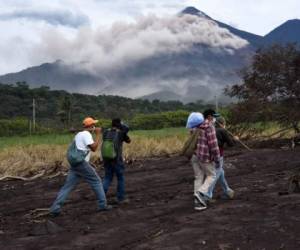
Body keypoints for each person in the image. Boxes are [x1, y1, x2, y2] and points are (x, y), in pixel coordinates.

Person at [49, 117, 112, 216]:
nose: (95, 126)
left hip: (75, 164)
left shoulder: (79, 134)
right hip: (81, 163)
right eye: (94, 125)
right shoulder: (86, 135)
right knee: (96, 181)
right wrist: (99, 134)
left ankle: (55, 208)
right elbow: (94, 148)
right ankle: (102, 205)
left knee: (68, 186)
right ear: (91, 126)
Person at [193, 109, 221, 211]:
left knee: (199, 177)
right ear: (209, 117)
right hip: (206, 157)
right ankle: (200, 193)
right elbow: (213, 145)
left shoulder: (197, 125)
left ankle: (198, 203)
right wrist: (217, 159)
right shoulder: (209, 127)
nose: (215, 119)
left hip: (197, 155)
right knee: (212, 175)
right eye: (214, 117)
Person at [102, 118, 131, 205]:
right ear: (119, 124)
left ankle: (101, 197)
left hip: (106, 158)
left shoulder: (106, 132)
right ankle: (120, 198)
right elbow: (127, 130)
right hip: (116, 159)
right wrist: (122, 125)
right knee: (120, 178)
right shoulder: (121, 133)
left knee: (107, 178)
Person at [208, 116, 236, 199]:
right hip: (218, 155)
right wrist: (235, 139)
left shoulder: (211, 130)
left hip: (209, 155)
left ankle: (227, 191)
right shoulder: (222, 130)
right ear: (223, 123)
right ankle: (207, 195)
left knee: (221, 172)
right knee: (216, 173)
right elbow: (231, 144)